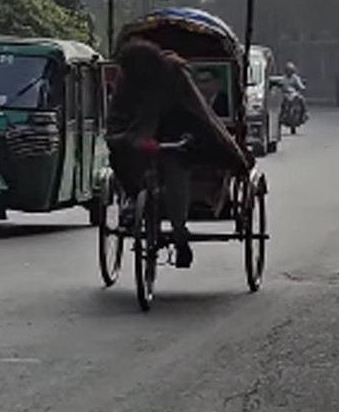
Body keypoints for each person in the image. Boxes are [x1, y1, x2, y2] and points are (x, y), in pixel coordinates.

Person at [105, 38, 250, 269]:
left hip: (179, 132)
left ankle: (179, 232)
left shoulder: (173, 71)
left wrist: (209, 142)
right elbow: (117, 114)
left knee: (176, 169)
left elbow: (199, 111)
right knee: (124, 159)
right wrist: (125, 138)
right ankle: (134, 199)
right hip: (140, 133)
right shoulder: (128, 77)